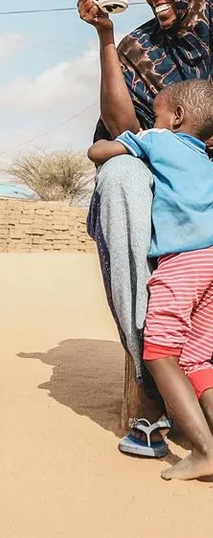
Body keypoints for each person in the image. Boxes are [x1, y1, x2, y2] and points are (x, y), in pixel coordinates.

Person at [77, 0, 213, 458]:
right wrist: (106, 38)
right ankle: (150, 377)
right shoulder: (139, 48)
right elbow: (123, 131)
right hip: (162, 189)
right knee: (118, 177)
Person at [88, 79, 213, 482]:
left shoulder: (159, 139)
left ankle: (204, 450)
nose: (151, 121)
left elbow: (99, 152)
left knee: (159, 352)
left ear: (176, 118)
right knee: (196, 360)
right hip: (212, 262)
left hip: (183, 263)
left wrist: (125, 139)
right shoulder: (206, 159)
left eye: (156, 114)